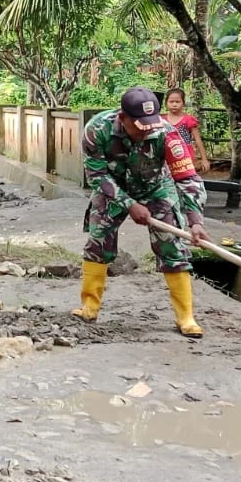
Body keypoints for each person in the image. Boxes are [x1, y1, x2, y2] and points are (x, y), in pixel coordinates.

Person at [72, 87, 211, 337]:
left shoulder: (166, 133)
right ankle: (89, 307)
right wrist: (128, 204)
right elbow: (97, 176)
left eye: (151, 123)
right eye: (139, 125)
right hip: (112, 189)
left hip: (156, 187)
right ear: (122, 117)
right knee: (98, 241)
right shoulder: (96, 130)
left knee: (172, 246)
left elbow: (188, 177)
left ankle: (186, 317)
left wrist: (195, 221)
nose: (146, 130)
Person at [162, 87, 207, 172]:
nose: (174, 104)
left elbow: (198, 140)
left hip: (185, 157)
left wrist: (204, 159)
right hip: (167, 156)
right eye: (171, 102)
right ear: (166, 103)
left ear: (183, 103)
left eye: (177, 102)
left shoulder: (188, 119)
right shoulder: (162, 120)